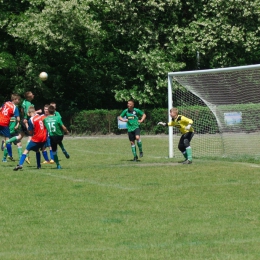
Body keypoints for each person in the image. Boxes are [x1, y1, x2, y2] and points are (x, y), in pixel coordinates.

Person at [7, 91, 42, 164]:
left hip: (23, 120)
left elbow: (22, 111)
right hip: (28, 121)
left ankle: (7, 142)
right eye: (32, 95)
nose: (33, 95)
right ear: (29, 97)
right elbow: (28, 113)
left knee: (19, 136)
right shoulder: (28, 103)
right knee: (30, 137)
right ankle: (27, 156)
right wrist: (38, 111)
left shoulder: (24, 102)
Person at [13, 106, 47, 171]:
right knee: (37, 150)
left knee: (26, 150)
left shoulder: (31, 119)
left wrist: (26, 123)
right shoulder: (40, 116)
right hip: (44, 137)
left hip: (37, 138)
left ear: (29, 113)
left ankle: (20, 164)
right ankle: (39, 166)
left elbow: (30, 132)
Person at [43, 105, 70, 169]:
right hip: (60, 136)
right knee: (59, 141)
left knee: (54, 151)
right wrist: (66, 131)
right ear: (54, 111)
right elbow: (63, 127)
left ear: (48, 112)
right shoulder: (57, 118)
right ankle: (63, 150)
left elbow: (44, 127)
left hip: (52, 136)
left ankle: (58, 165)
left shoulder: (45, 119)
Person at [0, 94, 21, 161]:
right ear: (14, 100)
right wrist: (18, 121)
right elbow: (18, 118)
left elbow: (0, 109)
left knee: (6, 139)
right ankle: (8, 156)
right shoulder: (15, 107)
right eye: (18, 100)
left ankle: (6, 157)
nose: (19, 101)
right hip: (4, 123)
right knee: (8, 140)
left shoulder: (6, 103)